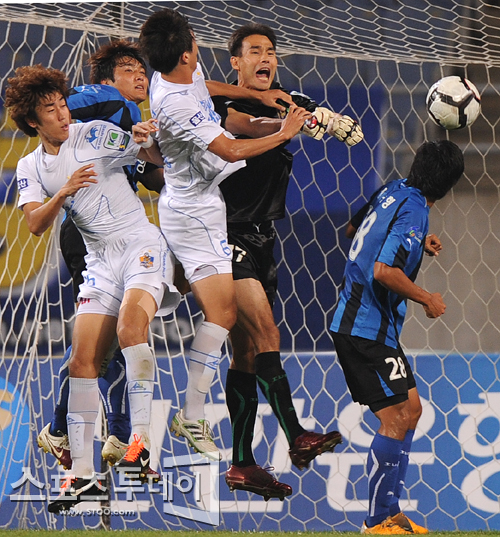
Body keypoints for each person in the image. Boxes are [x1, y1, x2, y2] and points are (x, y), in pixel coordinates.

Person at [137, 8, 310, 465]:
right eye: (194, 41)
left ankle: (235, 455)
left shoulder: (180, 75)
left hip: (209, 211)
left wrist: (270, 98)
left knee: (238, 336)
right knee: (235, 320)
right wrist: (286, 130)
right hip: (195, 216)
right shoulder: (174, 104)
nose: (198, 45)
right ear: (185, 53)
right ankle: (193, 416)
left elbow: (210, 88)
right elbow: (231, 146)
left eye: (270, 52)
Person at [6, 64, 180, 513]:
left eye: (63, 104)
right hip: (99, 261)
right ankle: (82, 477)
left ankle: (139, 450)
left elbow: (150, 158)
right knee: (83, 361)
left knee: (130, 330)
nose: (63, 114)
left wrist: (143, 139)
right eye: (51, 110)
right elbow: (34, 225)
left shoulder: (94, 134)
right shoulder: (29, 166)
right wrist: (62, 192)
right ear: (32, 122)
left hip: (140, 244)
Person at [205, 22, 364, 500]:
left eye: (271, 51)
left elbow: (330, 124)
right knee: (268, 332)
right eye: (254, 51)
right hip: (222, 232)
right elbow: (237, 125)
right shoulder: (218, 102)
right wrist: (288, 124)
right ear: (236, 61)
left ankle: (242, 464)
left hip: (262, 236)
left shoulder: (286, 98)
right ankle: (297, 436)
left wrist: (333, 123)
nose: (265, 58)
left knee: (247, 352)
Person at [36, 40, 165, 473]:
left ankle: (85, 431)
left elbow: (150, 174)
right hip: (92, 236)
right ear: (109, 79)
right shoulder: (107, 98)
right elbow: (65, 106)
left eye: (142, 70)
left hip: (117, 232)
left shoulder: (129, 120)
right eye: (129, 70)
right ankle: (120, 434)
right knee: (113, 339)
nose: (140, 77)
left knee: (113, 339)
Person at [330, 140, 464, 534]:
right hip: (364, 326)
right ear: (448, 185)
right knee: (398, 416)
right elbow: (384, 272)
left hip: (372, 325)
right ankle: (377, 522)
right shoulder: (416, 209)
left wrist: (417, 241)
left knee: (411, 411)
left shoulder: (393, 190)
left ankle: (390, 513)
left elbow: (354, 228)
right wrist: (426, 298)